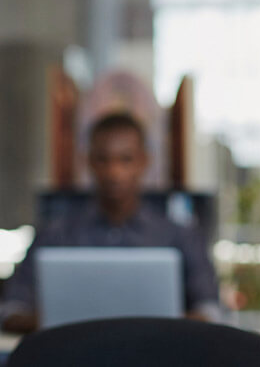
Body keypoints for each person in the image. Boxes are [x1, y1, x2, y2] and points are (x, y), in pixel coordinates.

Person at [0, 112, 220, 333]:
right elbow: (11, 310)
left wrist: (163, 326)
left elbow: (211, 310)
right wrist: (60, 322)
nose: (114, 172)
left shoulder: (181, 236)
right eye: (103, 159)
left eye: (126, 159)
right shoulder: (55, 234)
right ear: (89, 162)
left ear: (144, 161)